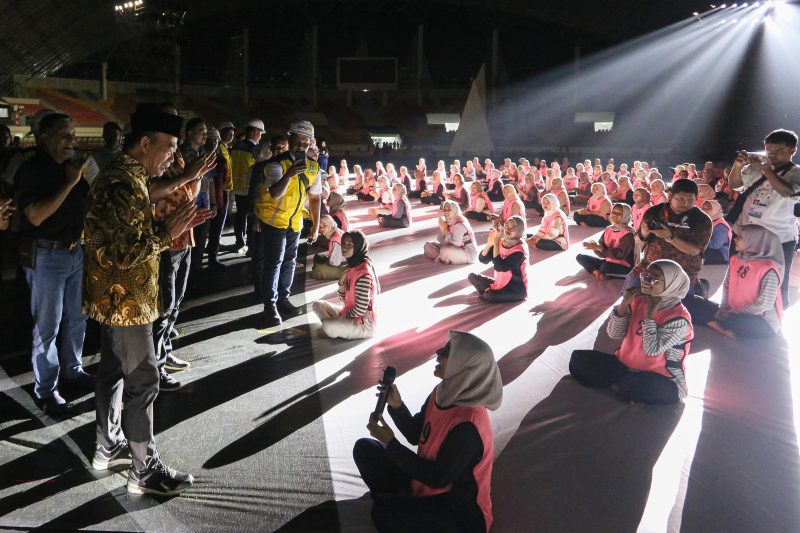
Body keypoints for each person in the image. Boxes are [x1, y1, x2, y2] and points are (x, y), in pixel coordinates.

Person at [84, 105, 205, 495]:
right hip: (126, 300)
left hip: (116, 297)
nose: (174, 154)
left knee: (113, 374)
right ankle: (144, 470)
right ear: (144, 143)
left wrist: (164, 226)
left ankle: (107, 446)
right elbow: (123, 253)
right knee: (144, 380)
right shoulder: (122, 182)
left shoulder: (128, 177)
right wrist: (166, 233)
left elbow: (125, 232)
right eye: (169, 146)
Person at [354, 330, 502, 533]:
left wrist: (392, 444)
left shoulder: (469, 423)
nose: (438, 352)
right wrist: (397, 406)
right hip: (423, 483)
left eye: (447, 352)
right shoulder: (442, 393)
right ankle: (404, 503)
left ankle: (400, 504)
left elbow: (438, 478)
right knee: (365, 448)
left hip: (459, 512)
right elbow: (416, 435)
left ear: (465, 366)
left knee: (383, 515)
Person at [14, 112, 93, 414]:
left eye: (74, 134)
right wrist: (70, 182)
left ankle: (73, 370)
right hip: (46, 255)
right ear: (44, 136)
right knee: (48, 325)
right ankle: (46, 388)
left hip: (75, 252)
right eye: (65, 134)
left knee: (77, 317)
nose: (72, 141)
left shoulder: (73, 169)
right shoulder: (33, 170)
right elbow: (35, 215)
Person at [569, 259, 694, 405]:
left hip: (661, 377)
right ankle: (623, 387)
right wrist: (625, 303)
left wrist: (649, 316)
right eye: (645, 276)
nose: (646, 281)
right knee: (579, 359)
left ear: (671, 284)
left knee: (647, 387)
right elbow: (614, 334)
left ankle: (622, 386)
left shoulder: (680, 319)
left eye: (653, 279)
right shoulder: (639, 300)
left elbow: (651, 350)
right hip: (625, 366)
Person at [251, 120, 322, 327]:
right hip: (274, 222)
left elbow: (316, 198)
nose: (300, 147)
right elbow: (275, 193)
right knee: (274, 262)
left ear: (310, 143)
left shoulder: (314, 168)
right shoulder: (276, 165)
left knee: (290, 261)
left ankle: (283, 298)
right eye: (297, 142)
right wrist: (290, 174)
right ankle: (270, 305)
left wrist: (316, 226)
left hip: (295, 223)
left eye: (305, 143)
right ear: (289, 140)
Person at [727, 129, 800, 306]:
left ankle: (771, 324)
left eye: (778, 151)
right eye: (768, 150)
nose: (772, 155)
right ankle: (736, 311)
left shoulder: (796, 172)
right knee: (738, 275)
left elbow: (788, 192)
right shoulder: (755, 168)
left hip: (777, 238)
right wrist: (737, 166)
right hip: (744, 234)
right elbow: (735, 185)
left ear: (792, 150)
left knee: (774, 282)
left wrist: (766, 168)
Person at [691, 225, 783, 339]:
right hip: (733, 312)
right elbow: (726, 287)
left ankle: (720, 325)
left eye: (740, 237)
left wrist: (732, 313)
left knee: (736, 322)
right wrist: (723, 308)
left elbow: (764, 304)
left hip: (760, 320)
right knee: (692, 302)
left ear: (754, 241)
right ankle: (724, 328)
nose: (735, 238)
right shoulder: (736, 259)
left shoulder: (768, 269)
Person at [631, 178, 712, 298]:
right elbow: (638, 241)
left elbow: (695, 250)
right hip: (651, 265)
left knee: (677, 304)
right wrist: (644, 233)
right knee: (630, 289)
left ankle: (698, 288)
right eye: (681, 199)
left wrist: (671, 237)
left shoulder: (702, 219)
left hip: (683, 269)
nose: (685, 203)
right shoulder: (655, 212)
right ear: (670, 195)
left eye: (690, 200)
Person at [312, 230, 378, 339]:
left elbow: (360, 309)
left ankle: (332, 327)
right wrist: (341, 283)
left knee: (328, 326)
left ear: (358, 247)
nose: (344, 247)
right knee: (317, 305)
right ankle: (335, 326)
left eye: (349, 244)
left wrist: (342, 317)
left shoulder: (363, 274)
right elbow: (344, 299)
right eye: (343, 243)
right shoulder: (352, 267)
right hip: (348, 312)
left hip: (363, 324)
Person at [468, 215, 529, 302]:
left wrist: (496, 244)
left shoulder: (519, 250)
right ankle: (490, 291)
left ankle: (489, 292)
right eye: (507, 226)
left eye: (513, 228)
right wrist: (489, 244)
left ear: (520, 230)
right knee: (472, 277)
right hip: (500, 283)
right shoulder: (501, 242)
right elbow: (483, 260)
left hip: (515, 289)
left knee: (490, 295)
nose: (508, 229)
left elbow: (500, 267)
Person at [230, 118, 265, 254]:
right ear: (256, 132)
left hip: (236, 188)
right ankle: (251, 246)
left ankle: (239, 242)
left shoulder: (236, 146)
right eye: (260, 133)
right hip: (250, 189)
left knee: (240, 216)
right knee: (251, 218)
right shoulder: (255, 149)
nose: (260, 136)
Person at [576, 203, 636, 280]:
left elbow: (620, 255)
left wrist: (600, 248)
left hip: (624, 266)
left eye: (619, 213)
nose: (614, 215)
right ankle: (596, 272)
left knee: (605, 268)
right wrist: (595, 248)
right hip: (608, 261)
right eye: (613, 212)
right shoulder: (609, 229)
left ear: (626, 215)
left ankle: (602, 271)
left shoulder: (628, 233)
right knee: (580, 257)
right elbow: (602, 252)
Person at [423, 200, 478, 264]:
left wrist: (445, 231)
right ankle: (443, 257)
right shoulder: (448, 221)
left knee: (445, 250)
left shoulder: (460, 224)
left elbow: (456, 243)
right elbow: (440, 239)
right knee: (428, 246)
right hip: (453, 249)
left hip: (468, 254)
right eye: (445, 209)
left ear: (455, 210)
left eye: (449, 209)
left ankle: (442, 256)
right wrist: (442, 228)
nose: (446, 212)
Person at [311, 215, 347, 280]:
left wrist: (326, 263)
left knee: (317, 271)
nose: (321, 229)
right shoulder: (337, 232)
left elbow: (335, 263)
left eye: (324, 226)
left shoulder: (336, 238)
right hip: (342, 263)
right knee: (318, 257)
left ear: (331, 225)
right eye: (319, 227)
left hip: (344, 268)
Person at [701, 200, 731, 265]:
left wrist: (700, 239)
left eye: (709, 208)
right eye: (703, 208)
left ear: (716, 210)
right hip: (709, 249)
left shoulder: (721, 226)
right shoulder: (707, 221)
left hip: (721, 253)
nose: (705, 210)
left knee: (695, 256)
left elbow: (715, 245)